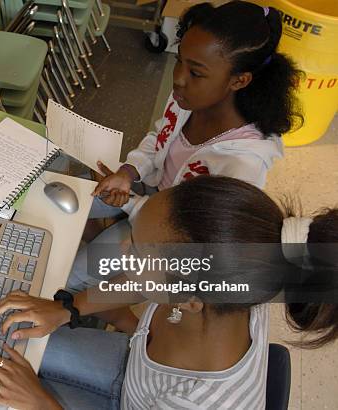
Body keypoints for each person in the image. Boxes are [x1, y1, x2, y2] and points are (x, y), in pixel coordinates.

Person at [0, 175, 338, 409]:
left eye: (137, 251)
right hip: (134, 376)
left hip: (142, 396)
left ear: (188, 301)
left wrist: (39, 402)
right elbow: (139, 282)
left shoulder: (202, 403)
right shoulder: (234, 281)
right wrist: (66, 309)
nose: (122, 252)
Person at [68, 0, 303, 291]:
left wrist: (131, 205)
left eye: (196, 72)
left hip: (170, 233)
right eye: (179, 60)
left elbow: (196, 235)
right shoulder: (189, 97)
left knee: (71, 279)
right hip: (148, 193)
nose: (178, 78)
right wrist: (128, 172)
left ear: (239, 80)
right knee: (61, 194)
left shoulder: (244, 166)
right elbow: (159, 137)